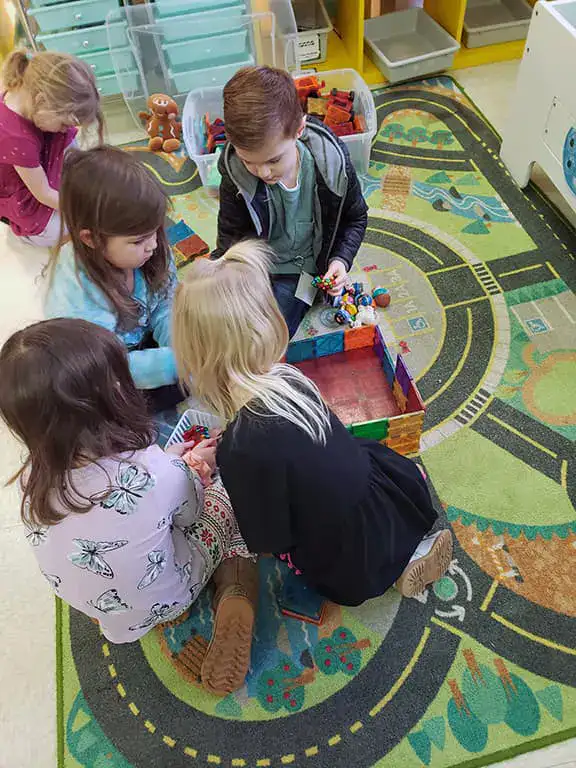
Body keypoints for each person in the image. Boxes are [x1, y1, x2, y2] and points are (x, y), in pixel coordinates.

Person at [173, 241, 453, 606]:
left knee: (281, 540)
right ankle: (414, 546)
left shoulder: (241, 448)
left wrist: (220, 473)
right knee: (353, 468)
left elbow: (268, 536)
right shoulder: (291, 378)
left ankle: (398, 567)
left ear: (200, 362)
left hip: (345, 546)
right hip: (375, 493)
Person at [0, 318, 258, 696]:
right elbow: (191, 512)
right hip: (169, 593)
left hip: (107, 613)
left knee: (137, 533)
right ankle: (235, 586)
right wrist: (194, 470)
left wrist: (171, 463)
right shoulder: (156, 472)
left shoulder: (30, 483)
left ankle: (143, 611)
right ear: (114, 399)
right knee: (233, 493)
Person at [213, 66, 368, 337]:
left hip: (302, 272)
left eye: (274, 160)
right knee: (219, 326)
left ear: (299, 129)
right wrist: (226, 269)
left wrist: (340, 261)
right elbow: (231, 233)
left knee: (270, 336)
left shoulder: (332, 165)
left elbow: (356, 218)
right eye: (249, 161)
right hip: (255, 268)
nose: (262, 172)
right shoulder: (236, 172)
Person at [45, 145, 179, 411]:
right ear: (91, 238)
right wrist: (176, 363)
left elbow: (167, 303)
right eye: (139, 240)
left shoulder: (150, 250)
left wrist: (179, 346)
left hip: (136, 340)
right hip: (105, 363)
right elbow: (104, 365)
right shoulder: (76, 293)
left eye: (156, 231)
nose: (152, 245)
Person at [0, 50, 103, 247]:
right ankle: (26, 236)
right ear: (41, 101)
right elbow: (44, 193)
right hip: (25, 192)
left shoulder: (27, 90)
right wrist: (84, 210)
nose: (68, 129)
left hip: (35, 161)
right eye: (64, 123)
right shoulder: (17, 139)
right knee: (60, 231)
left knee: (74, 156)